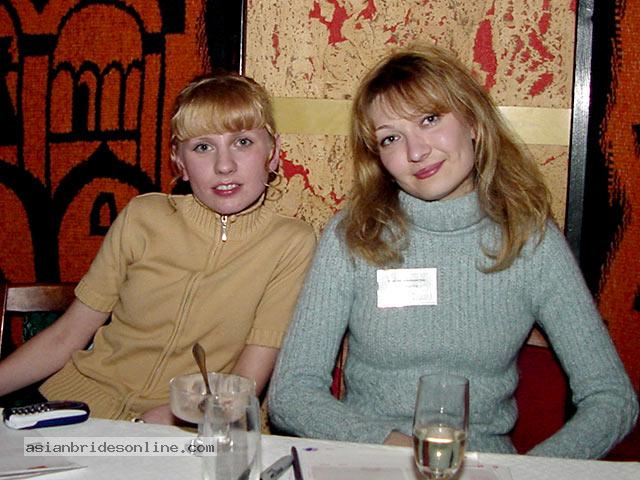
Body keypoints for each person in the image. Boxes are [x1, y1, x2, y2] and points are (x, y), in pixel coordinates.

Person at [268, 43, 638, 458]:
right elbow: (290, 393)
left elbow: (613, 399)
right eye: (391, 138)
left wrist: (528, 473)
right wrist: (400, 449)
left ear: (473, 122)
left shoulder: (529, 240)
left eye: (430, 119)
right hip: (372, 461)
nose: (416, 152)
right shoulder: (354, 234)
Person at [0, 73, 316, 423]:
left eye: (242, 142)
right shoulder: (144, 216)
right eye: (203, 147)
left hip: (186, 423)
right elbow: (66, 336)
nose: (224, 165)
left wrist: (169, 420)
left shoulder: (291, 243)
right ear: (179, 162)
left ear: (273, 153)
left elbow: (244, 383)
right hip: (78, 407)